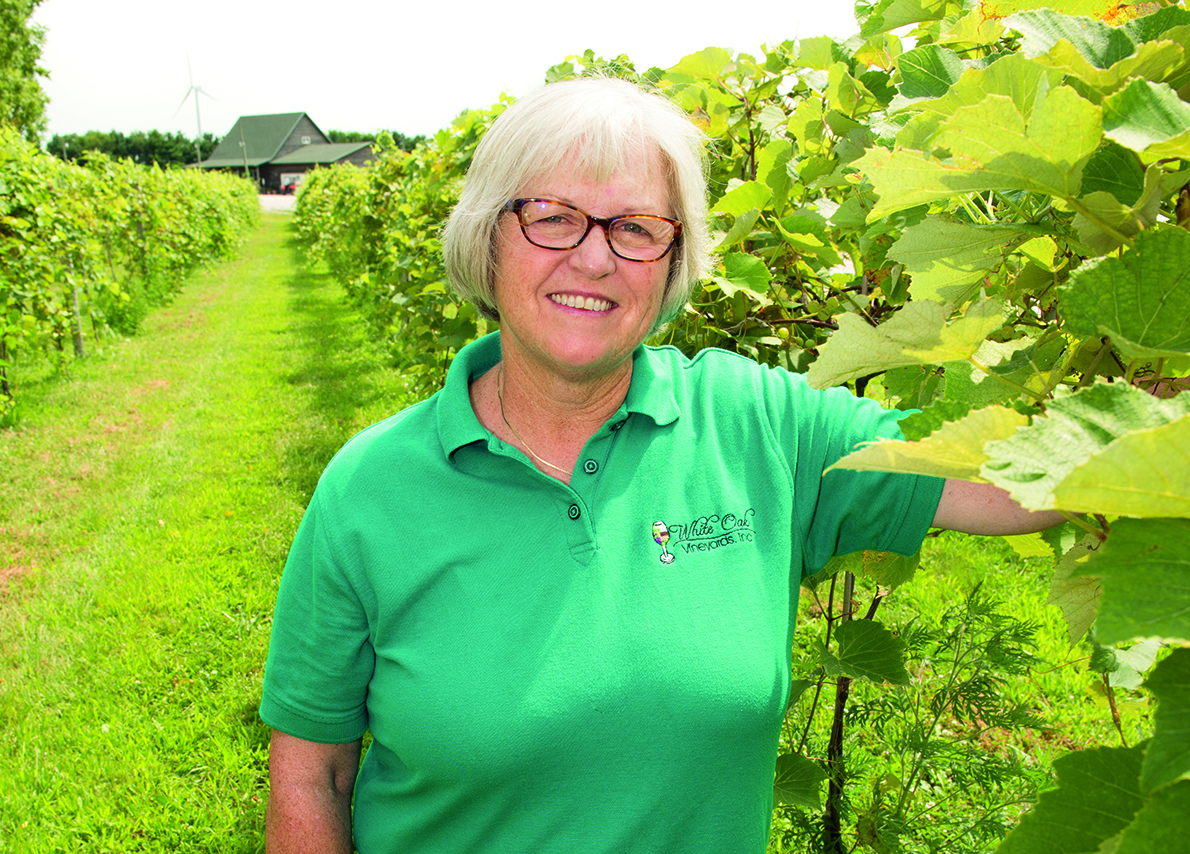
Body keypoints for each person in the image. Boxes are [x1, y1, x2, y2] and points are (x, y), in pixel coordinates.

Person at [259, 77, 1058, 854]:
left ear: (674, 260)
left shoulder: (761, 425)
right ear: (487, 235)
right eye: (552, 216)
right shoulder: (370, 490)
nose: (595, 258)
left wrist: (1169, 384)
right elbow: (312, 779)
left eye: (636, 227)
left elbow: (1014, 482)